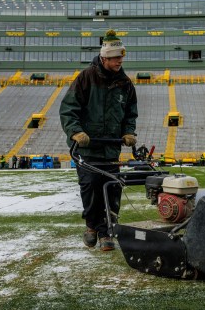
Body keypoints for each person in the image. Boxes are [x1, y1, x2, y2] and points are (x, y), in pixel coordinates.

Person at [60, 29, 138, 252]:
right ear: (104, 58)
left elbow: (130, 113)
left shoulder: (125, 83)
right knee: (91, 187)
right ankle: (92, 227)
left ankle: (106, 233)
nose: (119, 61)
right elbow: (68, 108)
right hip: (88, 147)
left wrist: (129, 132)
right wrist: (75, 131)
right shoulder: (86, 77)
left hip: (112, 147)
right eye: (115, 58)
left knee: (112, 188)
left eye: (121, 57)